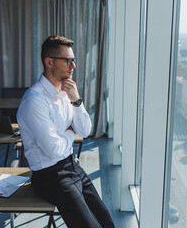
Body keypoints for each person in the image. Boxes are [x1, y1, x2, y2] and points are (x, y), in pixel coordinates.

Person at [17, 35, 115, 228]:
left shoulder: (67, 92)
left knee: (106, 222)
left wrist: (77, 101)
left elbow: (85, 131)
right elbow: (54, 150)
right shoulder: (34, 101)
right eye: (68, 61)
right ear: (49, 61)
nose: (73, 66)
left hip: (73, 167)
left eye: (73, 60)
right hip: (50, 177)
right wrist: (71, 132)